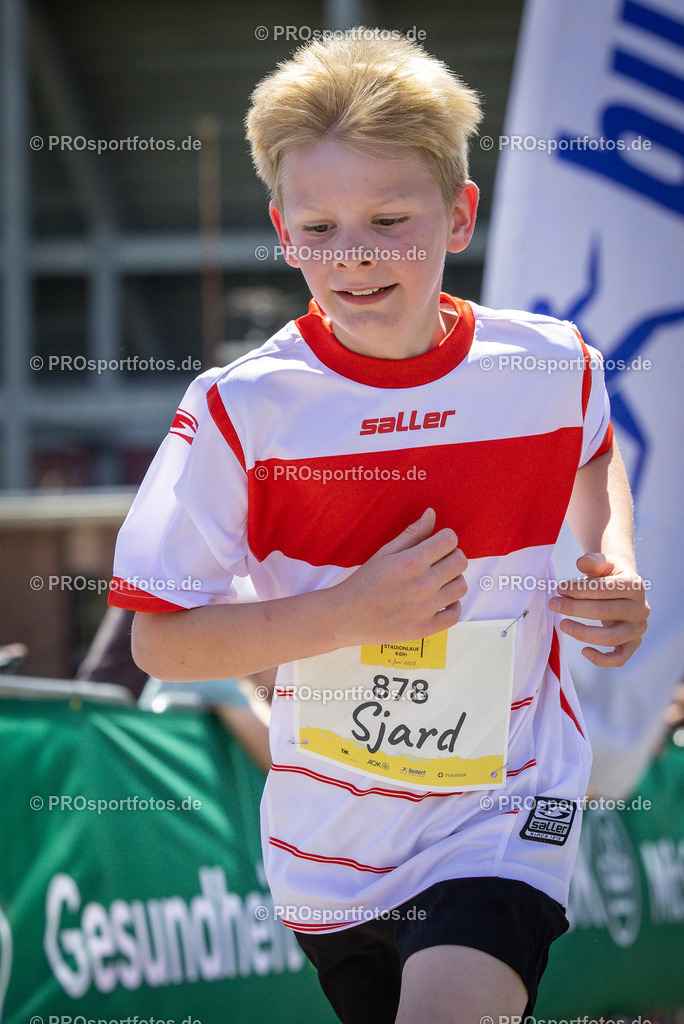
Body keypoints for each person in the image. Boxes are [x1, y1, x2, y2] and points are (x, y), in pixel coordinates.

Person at [108, 29, 649, 1024]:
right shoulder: (243, 410)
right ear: (280, 228)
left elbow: (593, 452)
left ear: (459, 214)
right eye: (319, 229)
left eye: (389, 219)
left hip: (505, 813)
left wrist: (610, 561)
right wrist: (350, 610)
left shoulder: (550, 363)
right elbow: (160, 638)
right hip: (329, 854)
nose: (353, 258)